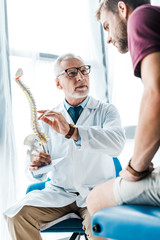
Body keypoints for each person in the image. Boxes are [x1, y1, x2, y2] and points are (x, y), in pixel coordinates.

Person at [4, 53, 125, 240]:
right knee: (16, 216)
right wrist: (36, 166)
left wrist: (73, 131)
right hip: (59, 194)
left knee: (100, 226)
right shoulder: (48, 119)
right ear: (58, 84)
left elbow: (116, 144)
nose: (80, 77)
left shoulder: (106, 111)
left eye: (84, 71)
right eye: (71, 73)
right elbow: (34, 172)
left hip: (97, 193)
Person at [86, 0, 160, 216]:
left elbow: (155, 97)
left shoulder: (141, 16)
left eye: (107, 26)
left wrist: (135, 168)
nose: (108, 38)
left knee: (96, 199)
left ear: (121, 8)